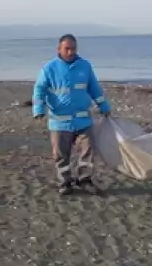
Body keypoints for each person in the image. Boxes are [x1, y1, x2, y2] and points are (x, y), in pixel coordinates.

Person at [33, 34, 112, 195]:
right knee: (61, 155)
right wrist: (38, 109)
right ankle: (65, 182)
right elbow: (39, 90)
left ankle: (85, 180)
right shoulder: (49, 68)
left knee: (88, 152)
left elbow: (94, 88)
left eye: (73, 48)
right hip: (59, 121)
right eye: (66, 48)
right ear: (59, 49)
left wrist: (103, 105)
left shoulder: (85, 66)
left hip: (83, 120)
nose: (70, 52)